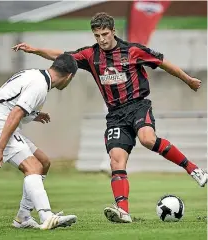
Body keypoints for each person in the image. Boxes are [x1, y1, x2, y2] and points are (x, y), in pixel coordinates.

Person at [12, 12, 207, 224]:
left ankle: (194, 170)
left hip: (138, 105)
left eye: (105, 34)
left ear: (113, 31)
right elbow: (62, 57)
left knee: (147, 139)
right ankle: (123, 211)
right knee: (116, 159)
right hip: (115, 115)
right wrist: (35, 50)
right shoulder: (90, 55)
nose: (102, 39)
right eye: (97, 35)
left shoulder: (132, 51)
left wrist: (188, 80)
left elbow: (162, 62)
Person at [0, 54, 78, 229]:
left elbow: (11, 101)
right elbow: (15, 113)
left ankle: (23, 217)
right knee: (33, 167)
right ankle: (46, 216)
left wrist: (34, 114)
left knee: (43, 162)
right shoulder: (40, 86)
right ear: (69, 76)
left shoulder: (36, 74)